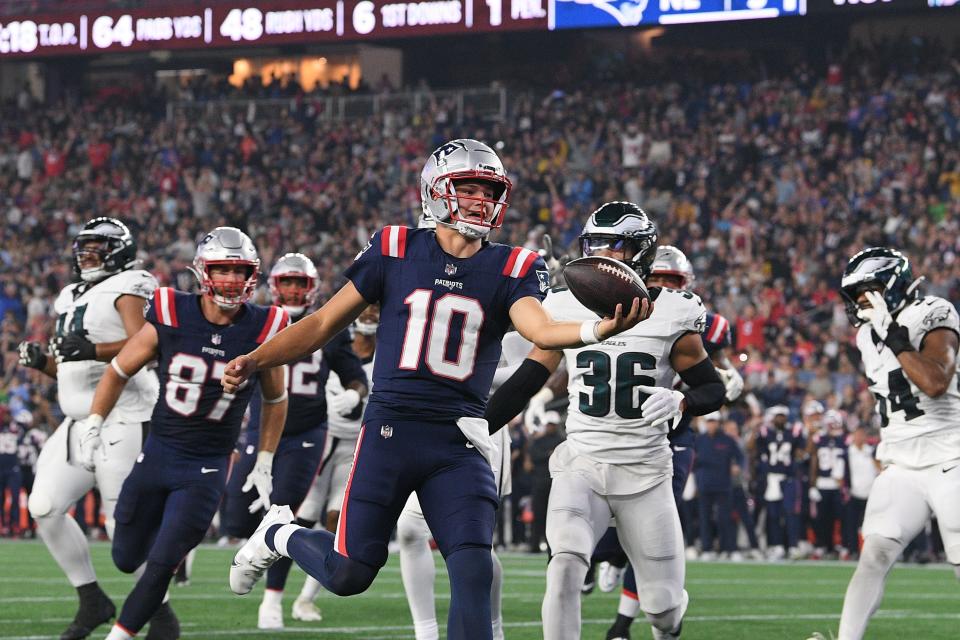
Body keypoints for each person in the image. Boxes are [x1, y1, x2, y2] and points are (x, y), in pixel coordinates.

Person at [225, 139, 647, 640]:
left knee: (473, 569)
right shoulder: (394, 247)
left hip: (460, 438)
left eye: (488, 191)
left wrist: (594, 331)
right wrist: (256, 359)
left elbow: (539, 329)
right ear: (434, 192)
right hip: (390, 431)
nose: (479, 201)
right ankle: (280, 532)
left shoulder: (514, 265)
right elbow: (321, 325)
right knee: (349, 573)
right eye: (466, 188)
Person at [485, 202, 726, 640]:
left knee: (662, 609)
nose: (605, 257)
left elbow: (713, 389)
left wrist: (681, 403)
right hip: (583, 464)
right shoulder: (563, 306)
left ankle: (668, 616)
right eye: (596, 246)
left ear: (643, 253)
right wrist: (475, 427)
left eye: (617, 247)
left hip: (647, 474)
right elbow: (525, 381)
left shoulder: (674, 312)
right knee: (564, 566)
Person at [81, 227, 290, 640]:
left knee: (161, 565)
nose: (231, 279)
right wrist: (93, 422)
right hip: (158, 452)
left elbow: (276, 399)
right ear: (202, 271)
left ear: (252, 274)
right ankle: (165, 533)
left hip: (207, 466)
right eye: (222, 269)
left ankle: (119, 634)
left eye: (239, 270)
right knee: (125, 555)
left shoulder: (266, 324)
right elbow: (120, 369)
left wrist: (265, 458)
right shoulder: (171, 311)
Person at [17, 218, 160, 640]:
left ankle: (162, 614)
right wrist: (43, 361)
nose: (86, 255)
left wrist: (94, 349)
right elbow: (73, 366)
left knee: (122, 529)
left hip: (124, 415)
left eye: (97, 247)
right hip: (79, 419)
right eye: (84, 247)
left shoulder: (131, 284)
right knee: (43, 506)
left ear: (118, 251)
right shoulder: (71, 295)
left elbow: (147, 342)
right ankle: (92, 599)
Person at [595, 245, 744, 640]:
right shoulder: (621, 311)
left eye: (671, 280)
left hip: (673, 436)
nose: (661, 286)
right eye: (656, 278)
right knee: (608, 528)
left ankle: (623, 624)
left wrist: (730, 380)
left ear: (686, 284)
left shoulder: (704, 323)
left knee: (650, 529)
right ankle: (608, 555)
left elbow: (716, 374)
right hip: (618, 433)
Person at [831, 248, 960, 640]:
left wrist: (894, 334)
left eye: (866, 292)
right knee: (874, 555)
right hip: (901, 464)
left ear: (891, 285)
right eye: (854, 296)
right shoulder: (866, 333)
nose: (859, 303)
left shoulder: (934, 311)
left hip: (950, 456)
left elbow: (936, 383)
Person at [249, 253, 368, 630]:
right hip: (264, 430)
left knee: (290, 513)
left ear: (312, 287)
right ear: (274, 286)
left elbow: (354, 375)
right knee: (239, 516)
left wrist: (355, 393)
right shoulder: (258, 322)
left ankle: (275, 599)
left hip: (311, 433)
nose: (295, 290)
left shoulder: (327, 327)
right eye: (288, 283)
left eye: (301, 283)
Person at [290, 303, 379, 623]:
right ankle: (267, 571)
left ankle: (304, 599)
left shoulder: (387, 353)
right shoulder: (334, 344)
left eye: (376, 310)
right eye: (366, 308)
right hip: (321, 438)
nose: (370, 315)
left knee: (335, 520)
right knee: (302, 516)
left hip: (355, 446)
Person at [749, 405, 805, 560]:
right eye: (777, 416)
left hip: (788, 478)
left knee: (790, 514)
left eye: (782, 416)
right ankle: (777, 545)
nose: (780, 419)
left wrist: (798, 458)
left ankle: (793, 546)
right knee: (773, 515)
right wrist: (755, 430)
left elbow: (802, 451)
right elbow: (751, 449)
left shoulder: (794, 432)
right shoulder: (765, 432)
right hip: (771, 478)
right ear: (773, 418)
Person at [808, 409, 850, 559]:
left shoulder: (845, 439)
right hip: (823, 482)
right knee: (821, 518)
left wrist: (847, 483)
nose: (832, 426)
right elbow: (813, 460)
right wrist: (812, 485)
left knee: (840, 517)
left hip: (839, 485)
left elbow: (848, 464)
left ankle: (839, 545)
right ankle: (821, 545)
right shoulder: (819, 438)